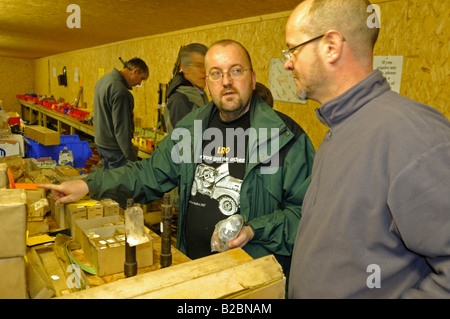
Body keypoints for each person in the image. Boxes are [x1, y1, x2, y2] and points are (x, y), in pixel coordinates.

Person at [40, 40, 315, 278]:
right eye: (216, 74)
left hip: (251, 276)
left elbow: (306, 216)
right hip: (192, 267)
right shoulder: (191, 129)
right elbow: (148, 174)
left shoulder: (284, 138)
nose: (227, 81)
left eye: (236, 71)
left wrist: (255, 230)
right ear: (207, 84)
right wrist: (90, 185)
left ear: (253, 79)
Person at [284, 0, 450, 298]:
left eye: (293, 49)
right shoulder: (339, 128)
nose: (287, 62)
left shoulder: (413, 136)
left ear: (331, 46)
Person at [94, 57, 149, 169]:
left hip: (101, 144)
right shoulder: (121, 92)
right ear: (135, 71)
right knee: (120, 184)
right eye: (141, 79)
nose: (139, 83)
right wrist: (131, 157)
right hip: (115, 149)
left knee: (109, 181)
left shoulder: (103, 80)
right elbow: (121, 129)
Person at [164, 43, 209, 134]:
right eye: (198, 65)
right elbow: (183, 144)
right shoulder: (181, 100)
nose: (204, 70)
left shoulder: (199, 95)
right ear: (185, 69)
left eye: (206, 65)